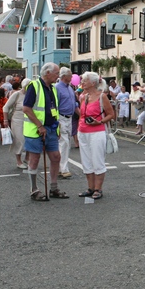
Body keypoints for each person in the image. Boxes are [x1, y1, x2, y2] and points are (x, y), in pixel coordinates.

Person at [22, 62, 64, 201]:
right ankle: (34, 189)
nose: (58, 76)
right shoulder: (34, 86)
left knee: (56, 157)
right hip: (36, 130)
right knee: (34, 159)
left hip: (51, 129)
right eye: (56, 73)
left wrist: (57, 128)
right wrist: (40, 126)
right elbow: (26, 108)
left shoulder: (53, 88)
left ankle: (53, 188)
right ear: (47, 73)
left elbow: (54, 110)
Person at [76, 71, 115, 200]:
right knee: (86, 161)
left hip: (97, 132)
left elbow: (111, 114)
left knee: (97, 160)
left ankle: (98, 189)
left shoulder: (102, 97)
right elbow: (81, 114)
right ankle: (90, 188)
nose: (82, 82)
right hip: (83, 132)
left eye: (84, 80)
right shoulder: (83, 96)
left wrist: (100, 121)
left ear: (93, 83)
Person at [55, 67, 77, 179]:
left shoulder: (70, 88)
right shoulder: (57, 88)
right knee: (64, 143)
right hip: (61, 117)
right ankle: (63, 169)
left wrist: (81, 114)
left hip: (69, 118)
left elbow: (74, 103)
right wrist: (56, 120)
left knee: (65, 143)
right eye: (70, 75)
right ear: (64, 76)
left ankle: (60, 168)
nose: (72, 77)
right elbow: (55, 105)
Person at [2, 80, 28, 168]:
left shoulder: (32, 94)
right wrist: (5, 120)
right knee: (20, 140)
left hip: (29, 119)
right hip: (17, 119)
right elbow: (6, 107)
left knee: (29, 139)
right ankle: (19, 161)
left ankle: (27, 159)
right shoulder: (17, 94)